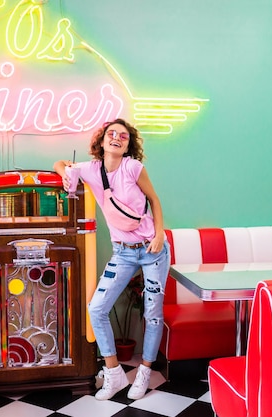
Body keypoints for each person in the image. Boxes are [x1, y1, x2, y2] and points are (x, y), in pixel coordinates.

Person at [54, 118, 170, 401]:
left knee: (152, 314)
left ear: (128, 145)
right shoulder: (91, 169)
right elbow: (60, 164)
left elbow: (154, 199)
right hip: (123, 252)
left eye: (124, 136)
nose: (117, 138)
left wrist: (159, 235)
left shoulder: (133, 167)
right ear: (102, 141)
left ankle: (143, 373)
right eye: (111, 134)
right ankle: (114, 372)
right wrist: (63, 172)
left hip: (152, 250)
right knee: (97, 308)